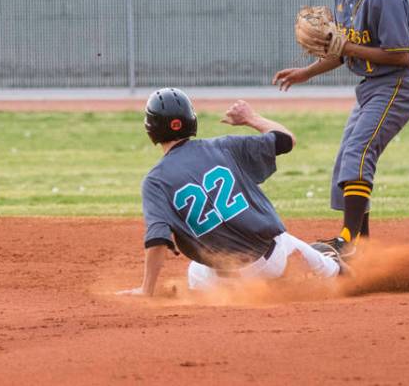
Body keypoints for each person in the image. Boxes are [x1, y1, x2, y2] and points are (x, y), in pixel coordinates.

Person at [273, 0, 409, 257]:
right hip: (370, 86)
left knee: (358, 150)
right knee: (347, 157)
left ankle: (348, 239)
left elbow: (400, 55)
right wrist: (305, 73)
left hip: (398, 85)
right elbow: (341, 53)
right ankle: (363, 245)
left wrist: (345, 47)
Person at [118, 89, 344, 296]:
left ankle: (244, 297)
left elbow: (158, 239)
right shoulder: (223, 146)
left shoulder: (155, 181)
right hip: (273, 259)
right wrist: (250, 118)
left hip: (222, 279)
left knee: (196, 271)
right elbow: (286, 140)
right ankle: (325, 268)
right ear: (190, 120)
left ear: (151, 128)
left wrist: (146, 290)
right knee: (340, 275)